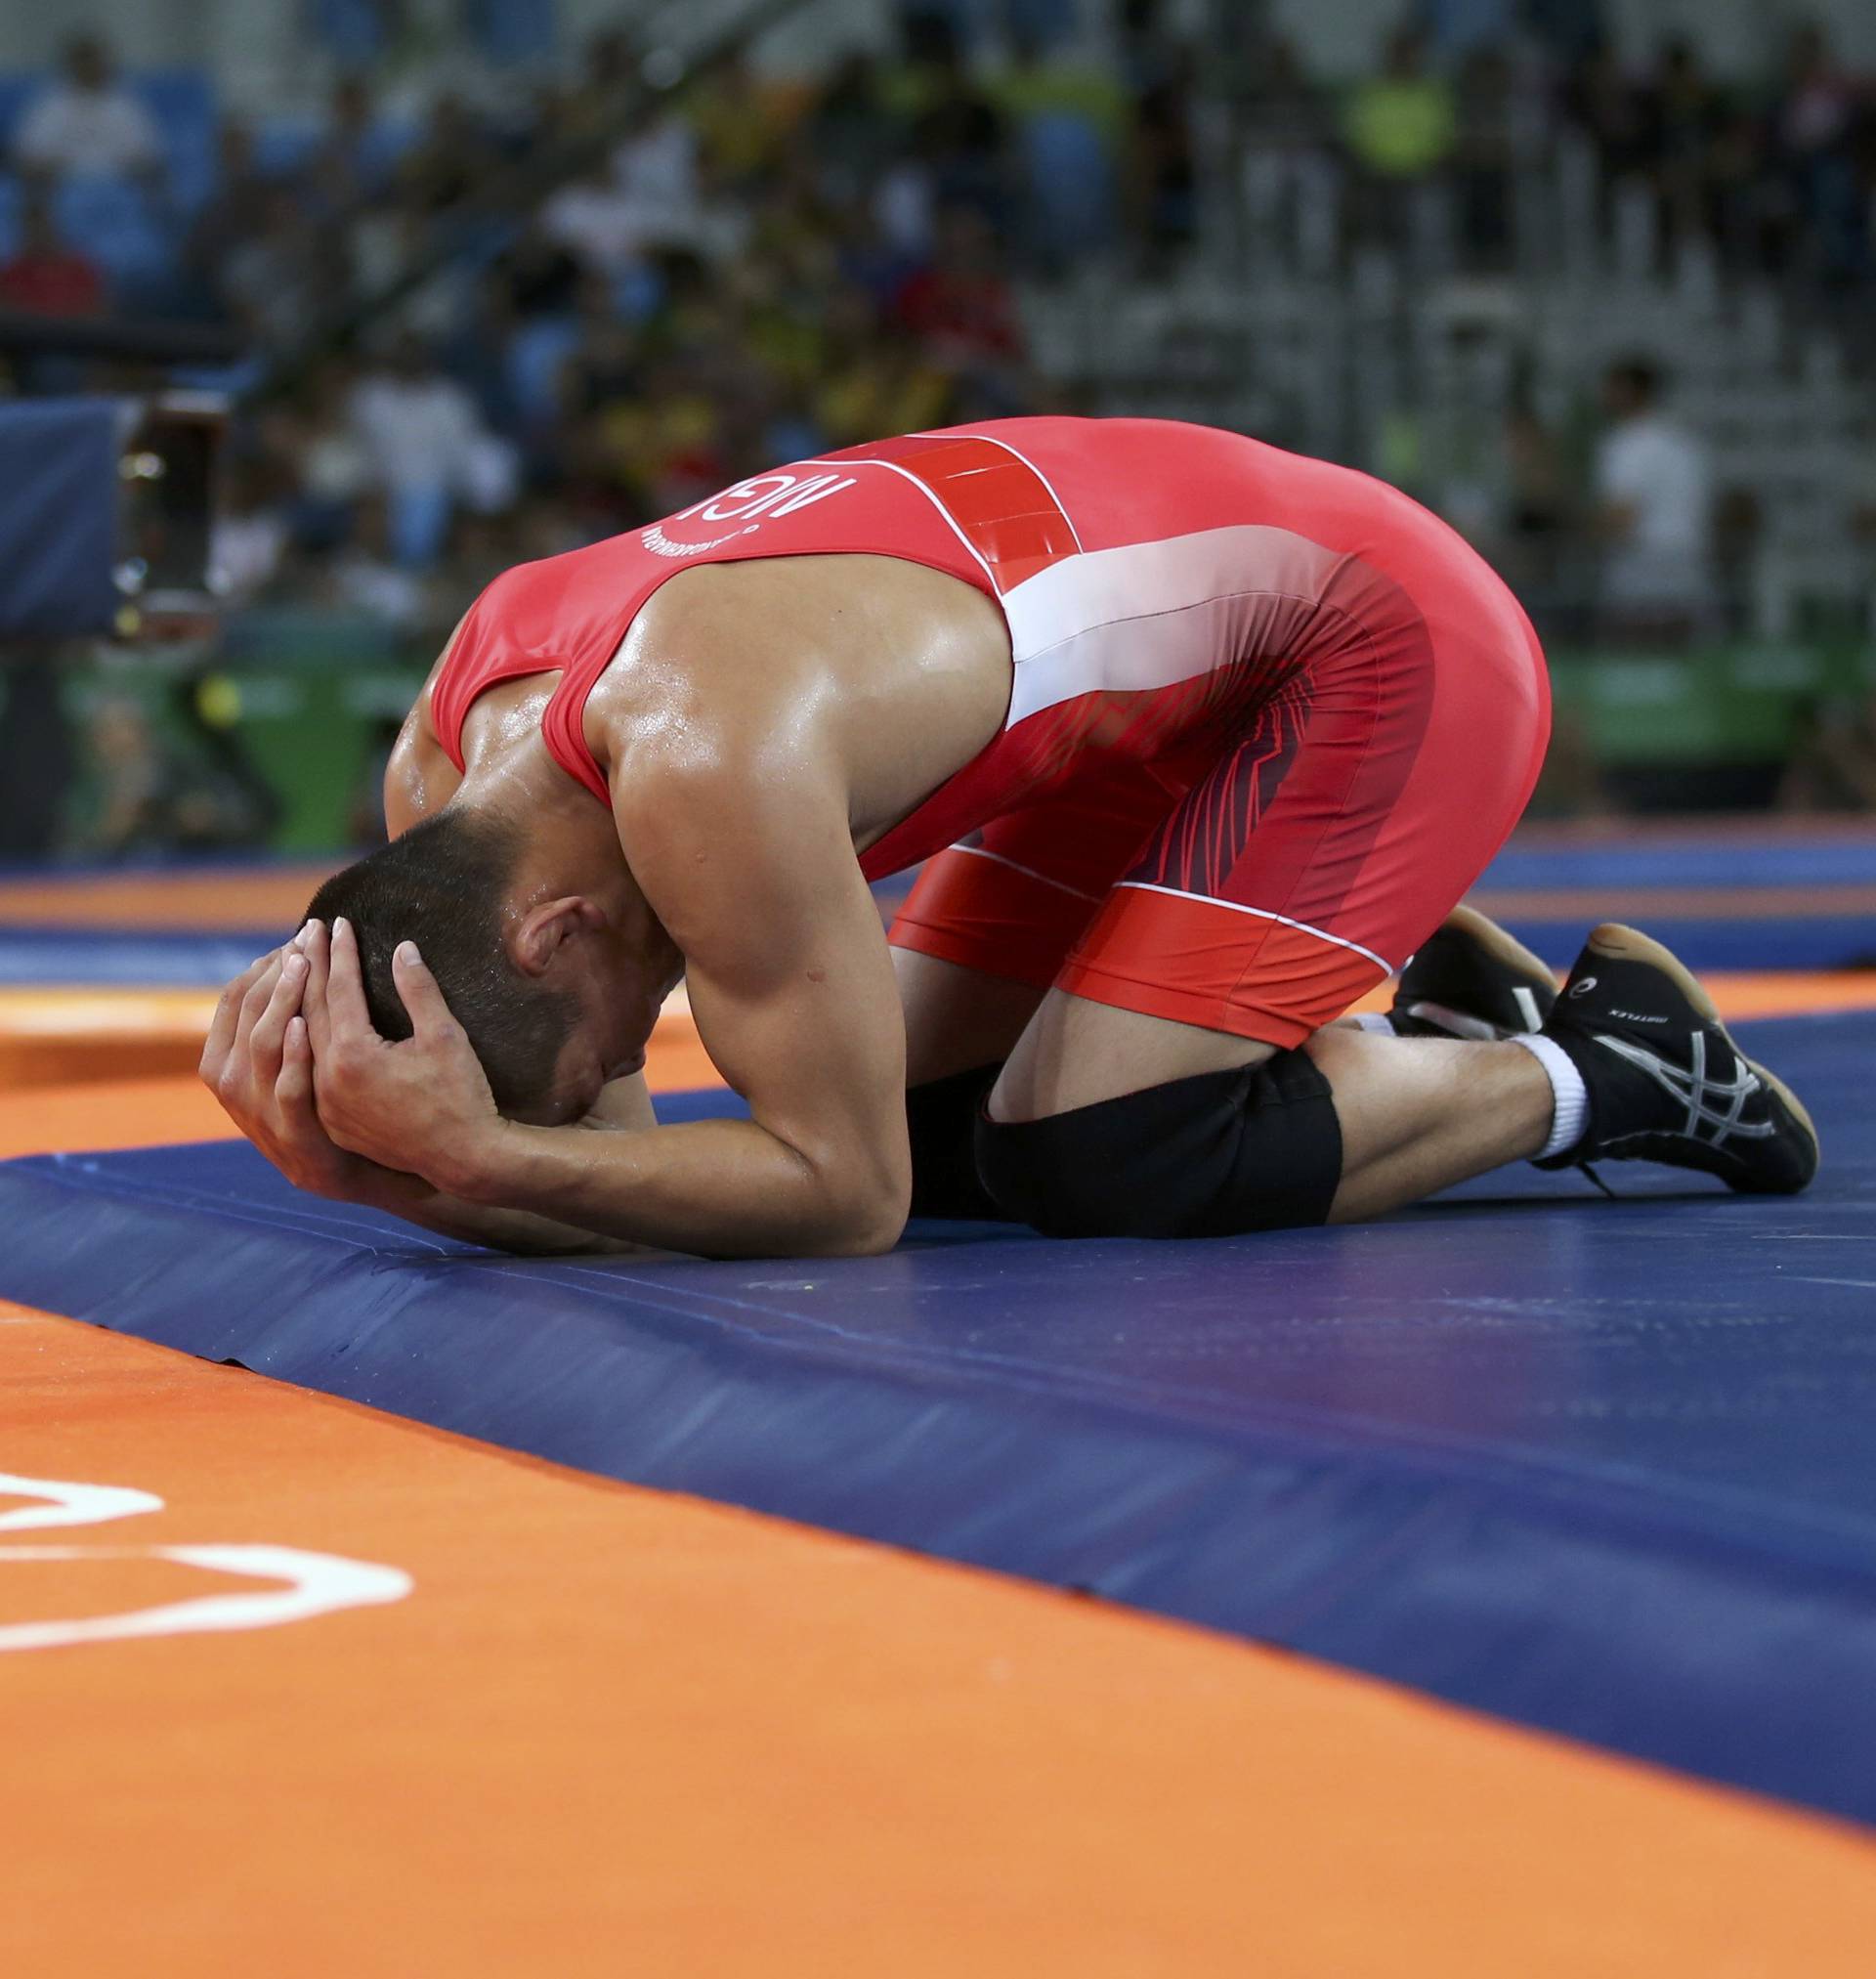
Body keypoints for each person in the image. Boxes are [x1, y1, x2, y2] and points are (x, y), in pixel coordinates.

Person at [202, 417, 1817, 1258]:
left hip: (1385, 644)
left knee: (1106, 1155)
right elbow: (633, 1179)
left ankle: (1613, 1068)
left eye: (606, 1035)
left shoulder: (705, 758)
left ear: (551, 935)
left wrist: (469, 1159)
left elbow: (842, 1202)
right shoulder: (455, 766)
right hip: (1180, 695)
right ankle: (1376, 985)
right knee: (962, 1120)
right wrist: (371, 1162)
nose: (644, 1037)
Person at [1592, 357, 1714, 641]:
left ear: (1631, 391)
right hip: (1687, 566)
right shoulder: (1683, 442)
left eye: (1612, 388)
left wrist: (1582, 537)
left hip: (1641, 571)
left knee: (1640, 659)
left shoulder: (1628, 444)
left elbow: (1622, 517)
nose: (1604, 396)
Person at [12, 34, 162, 184]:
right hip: (61, 181)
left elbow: (145, 153)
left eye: (95, 62)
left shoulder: (125, 104)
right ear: (71, 66)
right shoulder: (51, 104)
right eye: (84, 62)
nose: (90, 67)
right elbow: (31, 152)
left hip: (119, 180)